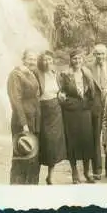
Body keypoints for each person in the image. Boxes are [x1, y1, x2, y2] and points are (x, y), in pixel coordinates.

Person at [58, 49, 96, 184]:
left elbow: (92, 93)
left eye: (79, 58)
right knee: (72, 142)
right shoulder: (64, 74)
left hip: (85, 112)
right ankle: (75, 172)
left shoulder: (87, 73)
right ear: (70, 60)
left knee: (87, 141)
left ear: (83, 59)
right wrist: (71, 105)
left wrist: (87, 105)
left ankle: (87, 172)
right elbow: (61, 95)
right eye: (74, 58)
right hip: (71, 113)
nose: (77, 61)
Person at [7, 50, 41, 184]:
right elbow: (15, 100)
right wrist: (24, 124)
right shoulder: (15, 75)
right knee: (21, 156)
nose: (32, 62)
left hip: (34, 120)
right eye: (30, 59)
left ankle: (31, 186)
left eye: (34, 59)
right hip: (23, 121)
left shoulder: (32, 73)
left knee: (33, 156)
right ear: (23, 59)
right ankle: (17, 188)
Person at [34, 50, 67, 185]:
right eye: (44, 59)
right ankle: (35, 174)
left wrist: (61, 95)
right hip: (42, 110)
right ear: (41, 61)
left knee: (53, 143)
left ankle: (50, 176)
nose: (47, 62)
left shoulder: (56, 74)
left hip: (56, 110)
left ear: (53, 61)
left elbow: (61, 89)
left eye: (49, 59)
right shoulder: (36, 73)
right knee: (42, 141)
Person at [89, 43, 107, 181]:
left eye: (102, 54)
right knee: (95, 137)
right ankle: (97, 170)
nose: (100, 56)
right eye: (97, 54)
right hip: (95, 107)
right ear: (94, 55)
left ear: (106, 54)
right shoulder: (88, 68)